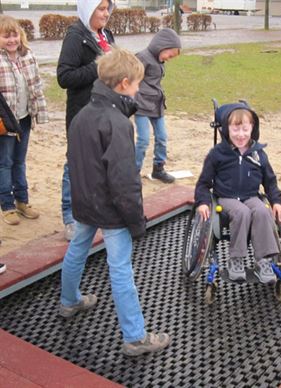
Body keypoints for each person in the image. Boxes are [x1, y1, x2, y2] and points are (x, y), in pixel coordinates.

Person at [59, 47, 170, 357]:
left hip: (85, 202)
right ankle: (135, 337)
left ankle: (69, 301)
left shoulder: (82, 114)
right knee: (120, 269)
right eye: (136, 84)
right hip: (110, 210)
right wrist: (135, 221)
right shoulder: (118, 124)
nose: (137, 89)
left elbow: (75, 164)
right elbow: (124, 180)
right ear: (123, 83)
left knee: (77, 249)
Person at [195, 101, 281, 283]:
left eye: (245, 129)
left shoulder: (258, 154)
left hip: (250, 196)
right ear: (226, 130)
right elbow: (203, 183)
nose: (241, 135)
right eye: (235, 129)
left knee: (262, 211)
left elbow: (270, 180)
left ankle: (264, 261)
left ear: (252, 128)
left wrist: (276, 201)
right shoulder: (218, 154)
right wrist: (202, 202)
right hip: (226, 198)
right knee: (241, 212)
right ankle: (236, 259)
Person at [57, 0, 115, 241]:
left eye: (107, 9)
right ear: (88, 9)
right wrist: (97, 67)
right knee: (75, 164)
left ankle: (94, 210)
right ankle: (70, 217)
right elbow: (64, 76)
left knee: (100, 162)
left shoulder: (105, 34)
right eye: (100, 9)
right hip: (82, 112)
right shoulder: (75, 36)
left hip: (105, 110)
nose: (105, 14)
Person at [0, 16, 48, 226]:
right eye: (6, 36)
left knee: (20, 161)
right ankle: (7, 204)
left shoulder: (28, 56)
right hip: (5, 121)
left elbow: (36, 86)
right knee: (5, 162)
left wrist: (40, 113)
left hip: (24, 118)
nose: (11, 40)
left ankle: (22, 201)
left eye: (14, 35)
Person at [135, 28, 181, 183]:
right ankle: (133, 173)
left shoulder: (159, 60)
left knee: (162, 137)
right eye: (170, 55)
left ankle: (158, 169)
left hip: (157, 104)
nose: (169, 58)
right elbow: (131, 80)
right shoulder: (142, 57)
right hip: (142, 105)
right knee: (143, 140)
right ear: (162, 46)